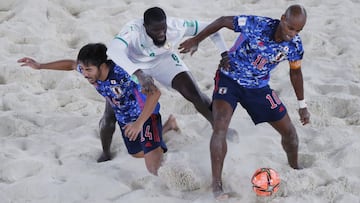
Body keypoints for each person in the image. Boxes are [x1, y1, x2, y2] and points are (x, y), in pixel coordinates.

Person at [178, 4, 311, 200]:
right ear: (283, 19)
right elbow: (223, 20)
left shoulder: (295, 46)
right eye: (291, 27)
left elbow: (296, 73)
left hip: (259, 88)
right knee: (220, 126)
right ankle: (216, 186)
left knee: (290, 133)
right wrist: (196, 40)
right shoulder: (257, 24)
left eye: (298, 30)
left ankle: (295, 168)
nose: (293, 33)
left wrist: (302, 105)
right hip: (229, 79)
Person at [18, 43, 179, 175]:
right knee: (136, 153)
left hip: (146, 115)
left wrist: (138, 124)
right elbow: (71, 64)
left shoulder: (123, 74)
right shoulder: (87, 68)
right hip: (124, 116)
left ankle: (158, 138)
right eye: (83, 69)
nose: (85, 74)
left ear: (102, 66)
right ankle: (168, 125)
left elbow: (155, 93)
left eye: (88, 70)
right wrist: (40, 66)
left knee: (153, 168)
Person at [103, 7, 233, 161]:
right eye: (155, 30)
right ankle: (106, 152)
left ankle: (218, 126)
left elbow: (214, 27)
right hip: (134, 66)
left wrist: (223, 53)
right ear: (145, 27)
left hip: (163, 60)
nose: (161, 33)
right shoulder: (133, 29)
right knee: (110, 113)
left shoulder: (176, 25)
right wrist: (138, 73)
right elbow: (113, 51)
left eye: (163, 29)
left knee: (194, 93)